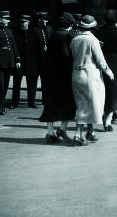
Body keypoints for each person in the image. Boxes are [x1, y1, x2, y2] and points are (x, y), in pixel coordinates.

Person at [70, 15, 114, 146]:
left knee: (83, 104)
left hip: (76, 74)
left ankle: (90, 131)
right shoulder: (92, 40)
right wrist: (109, 72)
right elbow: (101, 61)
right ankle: (78, 135)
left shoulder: (74, 39)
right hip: (90, 74)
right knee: (88, 105)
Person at [39, 12, 77, 145]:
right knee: (68, 103)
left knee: (51, 103)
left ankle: (50, 132)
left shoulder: (53, 34)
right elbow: (67, 55)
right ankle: (62, 129)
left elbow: (47, 54)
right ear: (71, 24)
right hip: (65, 74)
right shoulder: (69, 36)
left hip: (51, 74)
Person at [94, 9, 117, 131]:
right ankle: (108, 121)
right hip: (116, 65)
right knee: (113, 93)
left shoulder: (99, 32)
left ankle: (106, 114)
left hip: (100, 64)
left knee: (102, 91)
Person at [11, 14, 39, 108]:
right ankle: (15, 102)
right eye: (20, 22)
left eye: (24, 22)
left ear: (28, 22)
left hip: (31, 62)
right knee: (16, 83)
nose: (22, 24)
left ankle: (32, 102)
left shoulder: (34, 34)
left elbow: (38, 49)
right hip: (19, 62)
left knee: (32, 84)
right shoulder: (15, 34)